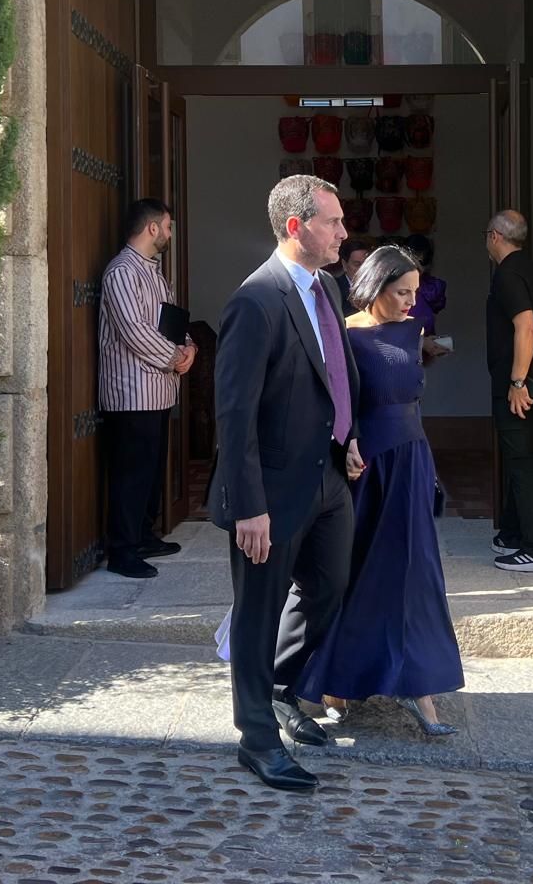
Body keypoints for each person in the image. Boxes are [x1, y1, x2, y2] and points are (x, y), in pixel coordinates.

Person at [210, 174, 366, 792]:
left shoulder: (326, 285)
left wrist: (349, 438)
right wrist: (248, 505)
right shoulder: (256, 300)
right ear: (297, 227)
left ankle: (277, 688)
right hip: (270, 494)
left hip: (328, 477)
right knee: (258, 611)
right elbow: (235, 413)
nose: (344, 232)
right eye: (333, 221)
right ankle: (256, 738)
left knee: (329, 588)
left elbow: (336, 370)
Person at [295, 246, 464, 737]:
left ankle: (422, 689)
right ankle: (336, 681)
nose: (413, 302)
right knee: (354, 570)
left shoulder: (414, 331)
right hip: (364, 464)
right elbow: (332, 400)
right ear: (376, 287)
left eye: (415, 291)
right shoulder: (342, 331)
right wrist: (346, 442)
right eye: (402, 292)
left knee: (414, 571)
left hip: (411, 457)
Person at [98, 198, 195, 580]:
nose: (170, 234)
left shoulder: (154, 272)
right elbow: (134, 331)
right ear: (152, 228)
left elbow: (170, 321)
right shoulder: (122, 271)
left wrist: (189, 347)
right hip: (131, 393)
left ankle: (144, 535)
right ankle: (122, 551)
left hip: (158, 390)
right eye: (168, 227)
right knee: (131, 473)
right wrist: (175, 357)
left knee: (152, 470)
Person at [485, 209, 533, 573]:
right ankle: (513, 533)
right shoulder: (529, 267)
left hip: (519, 387)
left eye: (487, 235)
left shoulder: (508, 274)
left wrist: (516, 382)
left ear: (495, 236)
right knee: (520, 460)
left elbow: (527, 328)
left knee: (523, 465)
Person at [404, 234, 447, 336]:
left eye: (421, 261)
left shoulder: (432, 289)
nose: (416, 266)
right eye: (412, 261)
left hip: (426, 347)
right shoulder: (389, 287)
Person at [330, 237, 372, 314]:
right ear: (344, 265)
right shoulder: (333, 288)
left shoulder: (378, 287)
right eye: (357, 264)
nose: (363, 269)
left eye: (366, 264)